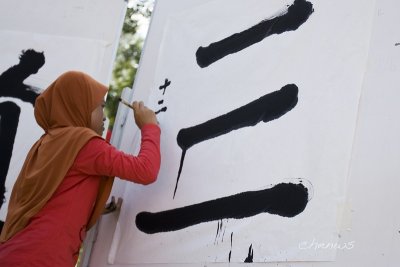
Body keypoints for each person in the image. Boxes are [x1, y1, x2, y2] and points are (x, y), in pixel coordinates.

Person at [0, 71, 161, 266]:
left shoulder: (46, 143)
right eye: (100, 107)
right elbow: (146, 170)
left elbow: (54, 197)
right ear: (79, 105)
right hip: (41, 258)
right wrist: (149, 126)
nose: (104, 117)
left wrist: (93, 205)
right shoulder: (84, 142)